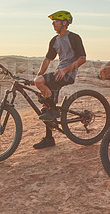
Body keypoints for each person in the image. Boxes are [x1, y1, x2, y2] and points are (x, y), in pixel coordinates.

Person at [33, 10, 86, 149]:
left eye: (55, 21)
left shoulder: (74, 37)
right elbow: (47, 60)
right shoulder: (54, 40)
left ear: (64, 23)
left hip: (67, 74)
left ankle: (54, 112)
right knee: (46, 107)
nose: (53, 23)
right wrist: (38, 76)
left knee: (49, 105)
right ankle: (49, 138)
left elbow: (82, 59)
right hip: (59, 73)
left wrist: (65, 70)